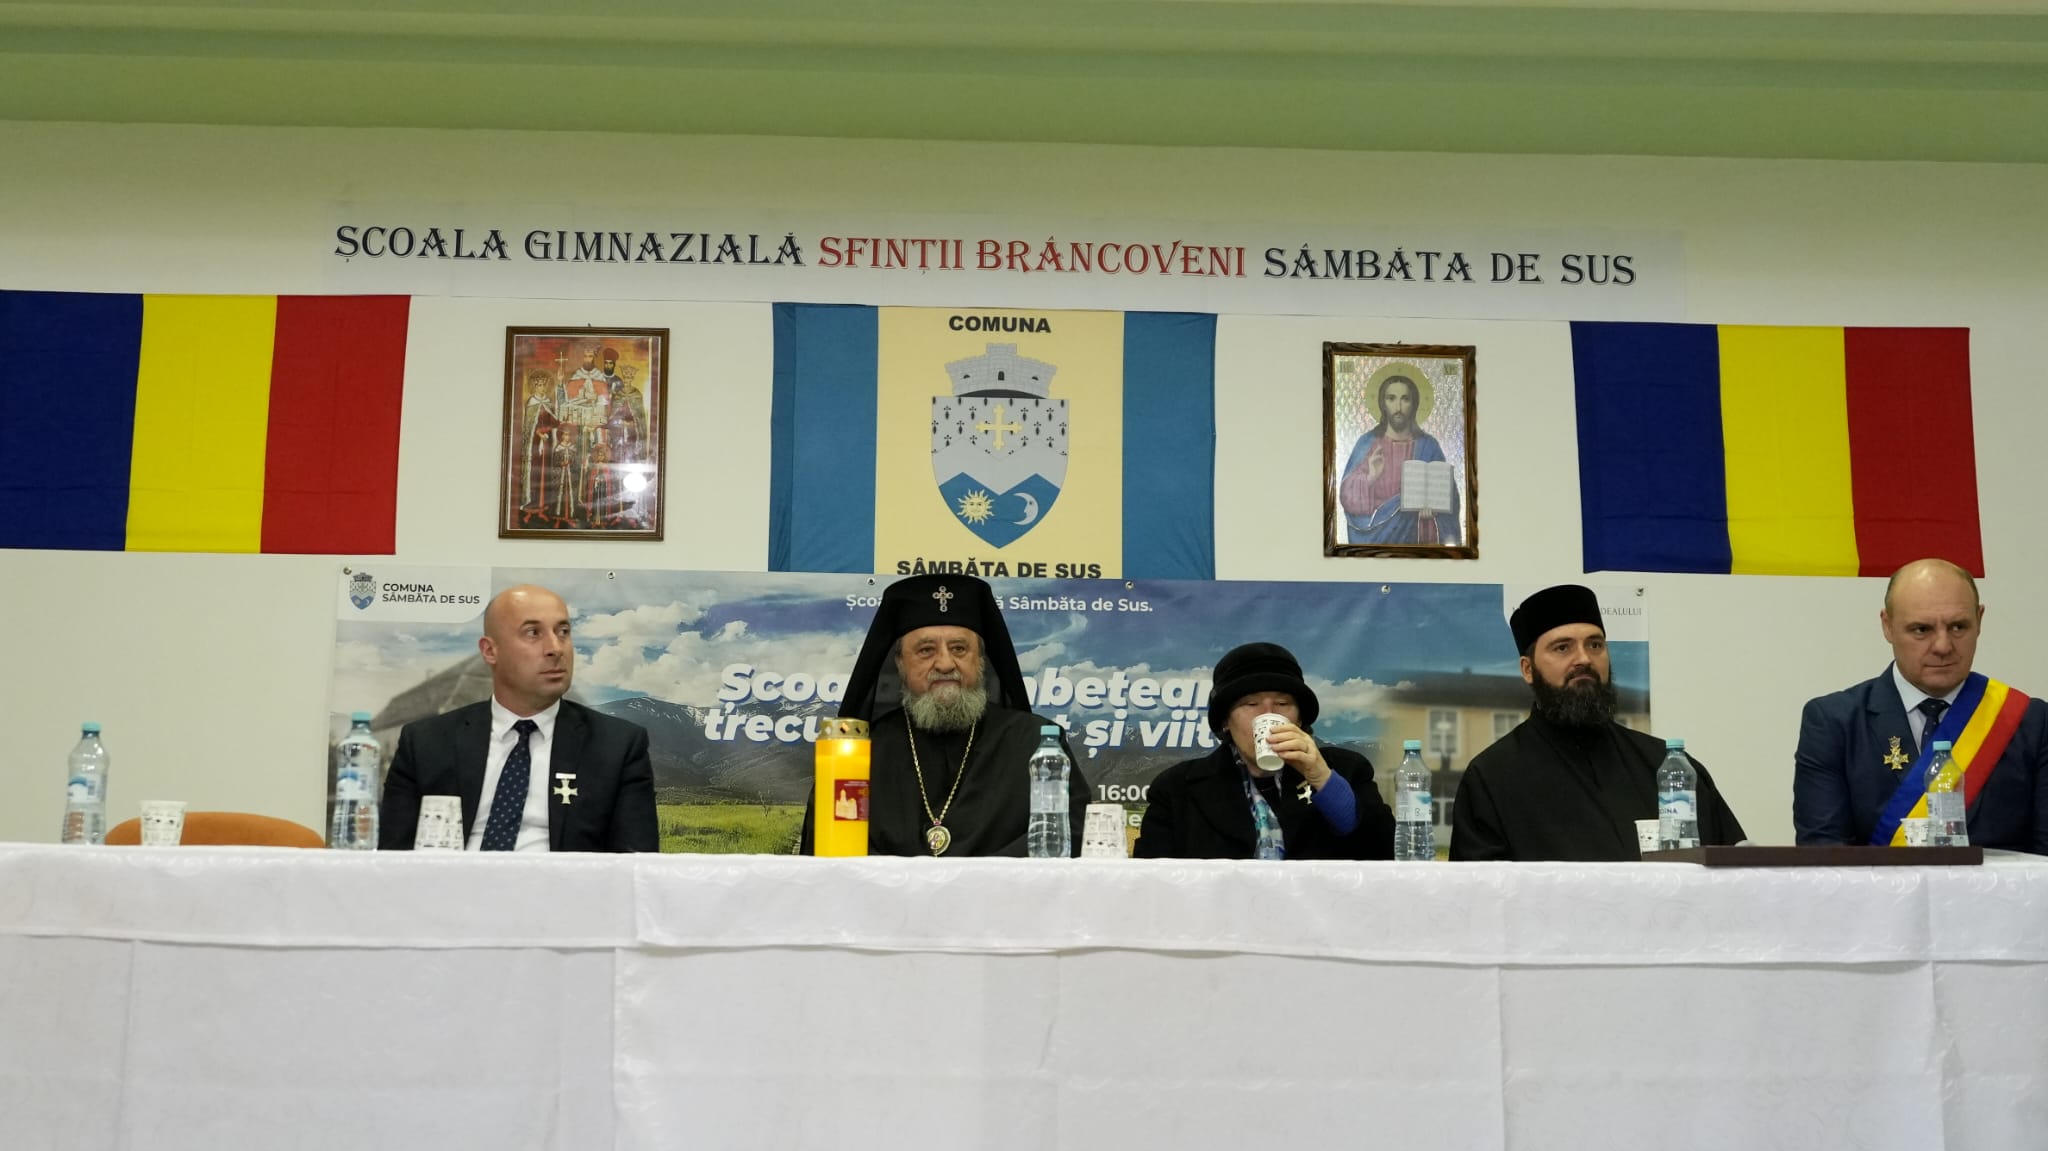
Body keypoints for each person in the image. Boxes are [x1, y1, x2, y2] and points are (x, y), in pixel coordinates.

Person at [802, 573, 1090, 856]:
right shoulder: (861, 755)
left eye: (959, 648)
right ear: (900, 663)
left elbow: (1072, 834)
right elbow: (829, 850)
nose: (944, 663)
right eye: (926, 650)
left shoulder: (1036, 744)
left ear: (980, 659)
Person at [1450, 584, 1745, 861]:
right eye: (1562, 648)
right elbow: (1479, 892)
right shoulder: (1491, 779)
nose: (1584, 659)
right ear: (1528, 669)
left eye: (1595, 645)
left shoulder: (1664, 766)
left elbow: (1734, 870)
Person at [1794, 558, 2048, 853]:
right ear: (1887, 626)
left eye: (1958, 626)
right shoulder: (1834, 723)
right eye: (1921, 629)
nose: (1943, 646)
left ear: (1979, 620)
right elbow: (1824, 857)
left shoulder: (2030, 722)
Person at [381, 584, 658, 852]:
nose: (555, 648)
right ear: (490, 651)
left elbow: (635, 866)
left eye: (563, 632)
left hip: (564, 883)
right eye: (533, 633)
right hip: (453, 881)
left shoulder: (617, 746)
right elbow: (391, 860)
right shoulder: (426, 742)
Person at [1134, 642, 1393, 860]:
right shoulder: (1177, 788)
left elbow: (1385, 854)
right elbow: (1152, 879)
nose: (1268, 714)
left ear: (1299, 719)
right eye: (1251, 704)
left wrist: (1322, 779)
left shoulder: (1346, 770)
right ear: (1225, 722)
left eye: (1282, 703)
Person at [1338, 371, 1460, 546]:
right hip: (1376, 539)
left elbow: (1450, 496)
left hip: (1417, 537)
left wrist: (1434, 508)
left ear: (1414, 403)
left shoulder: (1428, 445)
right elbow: (1347, 496)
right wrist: (1370, 477)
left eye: (1405, 399)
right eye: (1391, 398)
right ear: (1382, 403)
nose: (1398, 407)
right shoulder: (1368, 443)